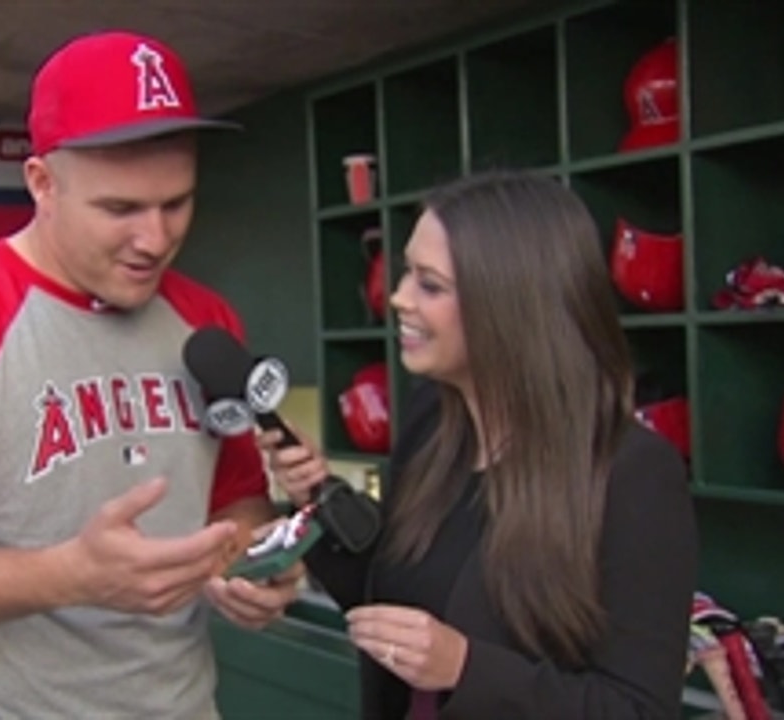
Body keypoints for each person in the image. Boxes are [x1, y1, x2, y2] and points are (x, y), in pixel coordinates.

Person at [0, 30, 303, 719]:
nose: (155, 238)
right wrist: (66, 576)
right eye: (120, 209)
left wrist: (250, 565)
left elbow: (237, 502)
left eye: (177, 202)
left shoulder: (206, 319)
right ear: (42, 183)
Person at [260, 170, 699, 719]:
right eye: (404, 276)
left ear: (510, 304)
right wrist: (318, 503)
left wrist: (467, 668)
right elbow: (393, 607)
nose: (397, 299)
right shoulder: (429, 427)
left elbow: (639, 709)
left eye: (430, 284)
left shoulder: (632, 472)